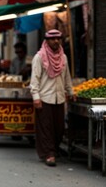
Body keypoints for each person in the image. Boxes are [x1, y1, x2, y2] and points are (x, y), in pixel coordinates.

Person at [30, 29, 74, 167]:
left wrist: (70, 91)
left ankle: (54, 149)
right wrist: (36, 97)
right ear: (47, 41)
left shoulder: (64, 57)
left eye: (58, 39)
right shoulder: (39, 57)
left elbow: (67, 77)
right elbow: (35, 79)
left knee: (59, 128)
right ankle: (49, 154)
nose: (56, 41)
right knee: (46, 128)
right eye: (53, 39)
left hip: (59, 98)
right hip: (44, 98)